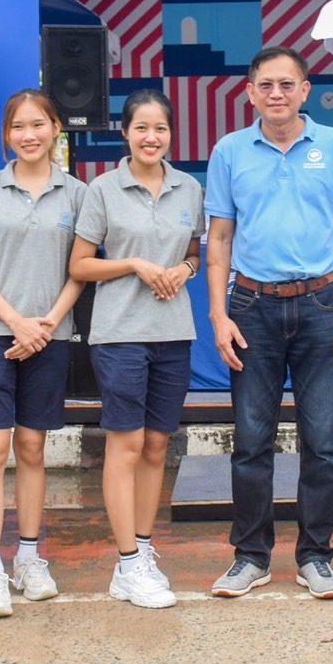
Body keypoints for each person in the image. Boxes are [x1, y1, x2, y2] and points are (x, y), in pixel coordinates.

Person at [205, 46, 333, 599]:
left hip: (323, 306)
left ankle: (315, 557)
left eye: (286, 84)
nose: (275, 94)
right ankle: (250, 557)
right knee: (251, 441)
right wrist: (218, 313)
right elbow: (221, 239)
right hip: (251, 308)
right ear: (250, 92)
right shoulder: (230, 151)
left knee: (323, 440)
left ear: (305, 90)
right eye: (265, 85)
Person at [70, 89, 205, 610]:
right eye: (142, 128)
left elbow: (196, 250)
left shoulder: (189, 188)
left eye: (162, 129)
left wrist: (184, 270)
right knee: (125, 446)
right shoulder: (102, 189)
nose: (152, 137)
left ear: (172, 135)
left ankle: (143, 551)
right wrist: (133, 264)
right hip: (121, 333)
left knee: (156, 446)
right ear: (125, 133)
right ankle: (126, 561)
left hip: (173, 334)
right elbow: (80, 265)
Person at [0, 88, 86, 618]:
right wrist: (14, 322)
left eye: (39, 124)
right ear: (6, 134)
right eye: (17, 127)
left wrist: (48, 323)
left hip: (50, 337)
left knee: (33, 448)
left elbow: (80, 269)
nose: (28, 135)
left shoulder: (79, 195)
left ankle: (29, 557)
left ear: (57, 128)